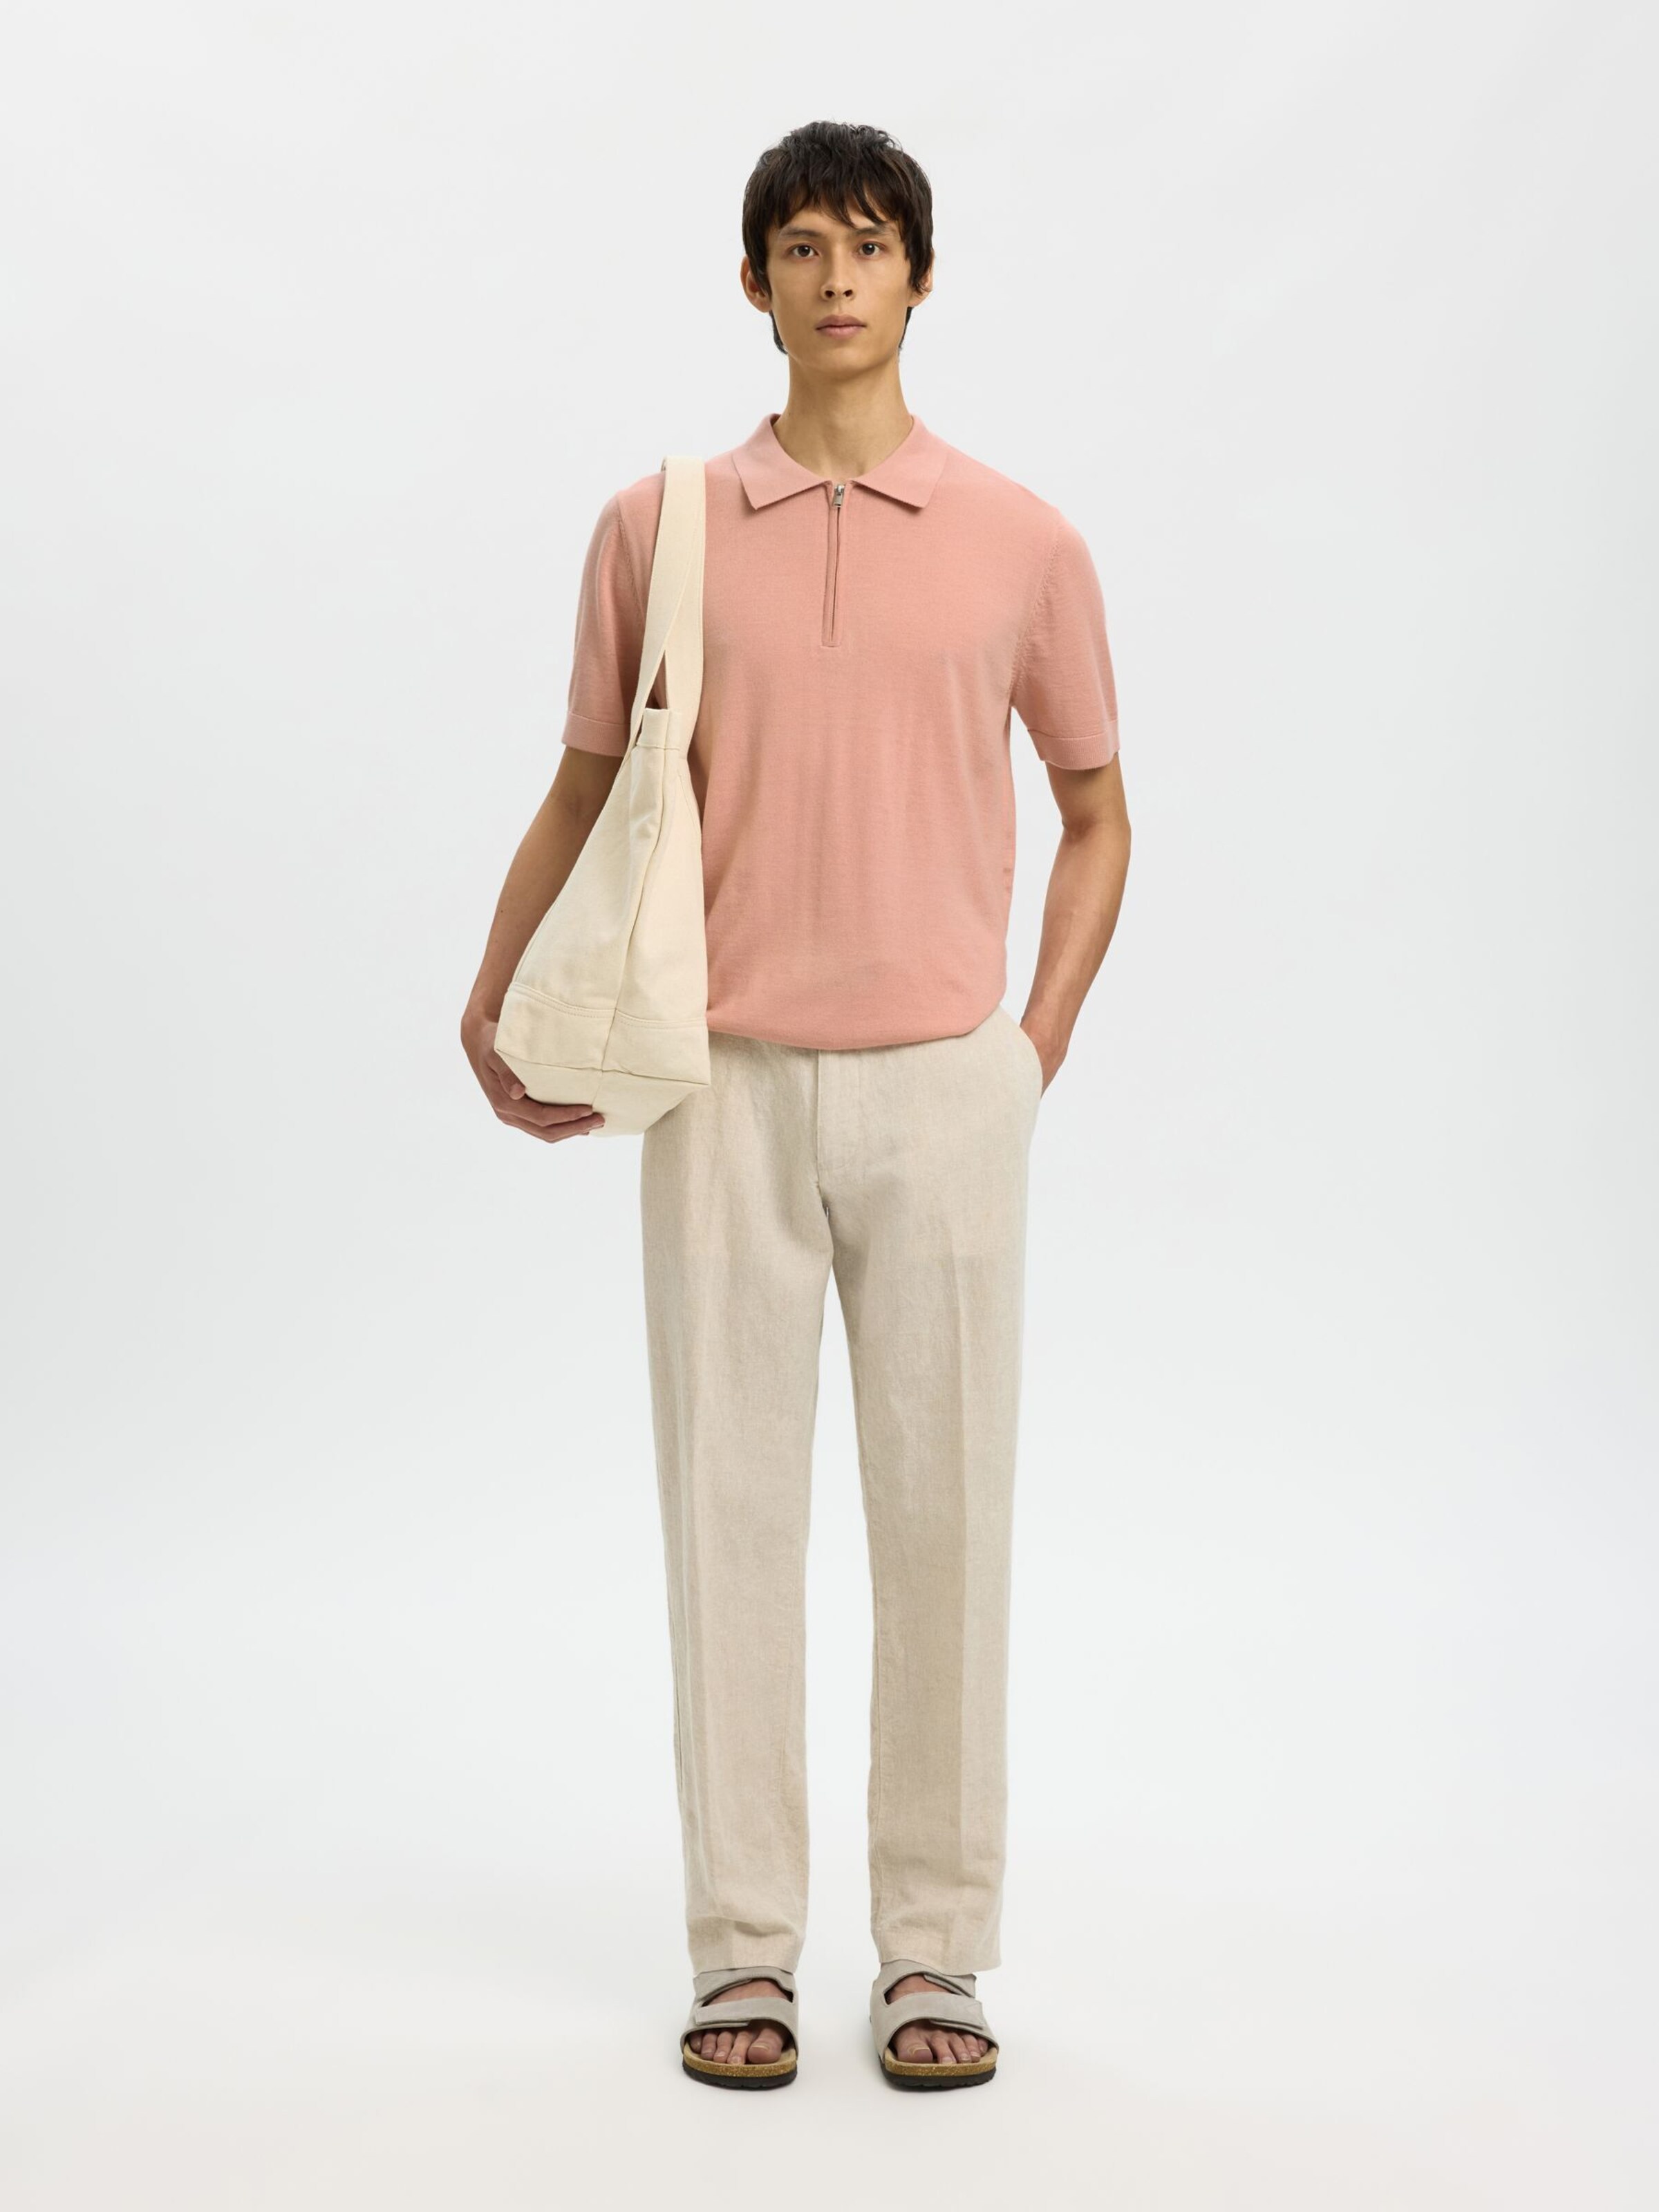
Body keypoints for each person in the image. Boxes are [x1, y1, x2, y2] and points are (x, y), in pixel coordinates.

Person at [460, 119, 1132, 2091]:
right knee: (728, 1528)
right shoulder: (656, 526)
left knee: (949, 1532)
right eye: (805, 246)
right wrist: (495, 990)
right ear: (751, 283)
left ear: (923, 277)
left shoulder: (1025, 542)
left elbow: (1099, 811)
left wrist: (1031, 1046)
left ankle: (935, 1955)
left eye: (873, 243)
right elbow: (586, 783)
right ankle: (742, 1951)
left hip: (946, 1094)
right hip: (722, 1087)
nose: (840, 277)